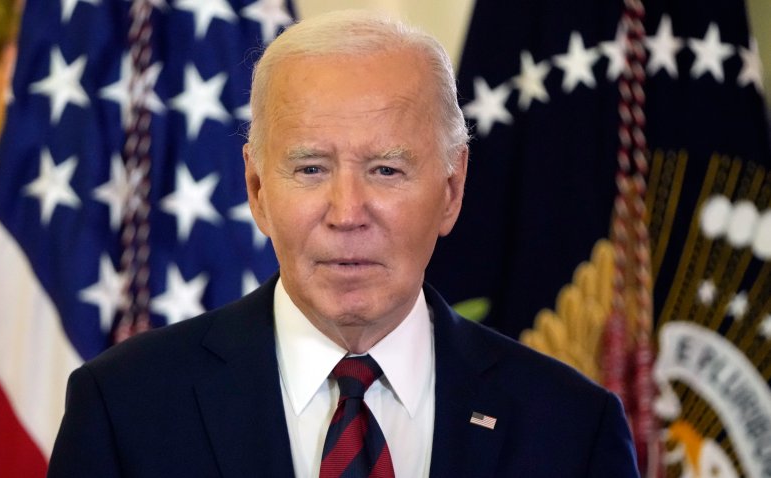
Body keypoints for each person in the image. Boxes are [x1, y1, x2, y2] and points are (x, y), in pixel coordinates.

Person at [47, 10, 639, 478]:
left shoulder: (569, 428)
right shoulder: (124, 411)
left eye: (386, 170)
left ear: (452, 189)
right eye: (309, 169)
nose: (347, 213)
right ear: (256, 188)